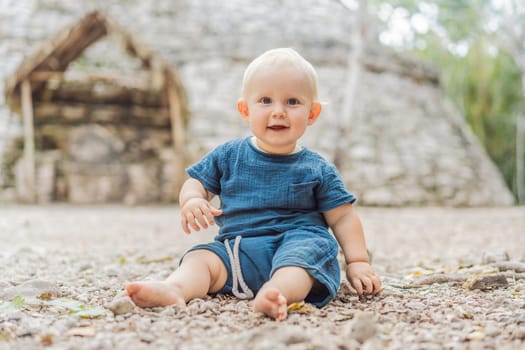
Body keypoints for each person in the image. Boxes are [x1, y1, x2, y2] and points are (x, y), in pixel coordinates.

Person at [125, 48, 381, 321]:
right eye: (265, 100)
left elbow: (342, 216)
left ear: (312, 113)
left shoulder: (317, 168)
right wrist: (192, 200)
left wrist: (357, 262)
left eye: (292, 101)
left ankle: (276, 293)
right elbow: (196, 183)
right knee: (201, 258)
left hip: (297, 241)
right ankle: (175, 287)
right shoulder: (229, 155)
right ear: (245, 110)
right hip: (239, 249)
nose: (279, 112)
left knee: (304, 259)